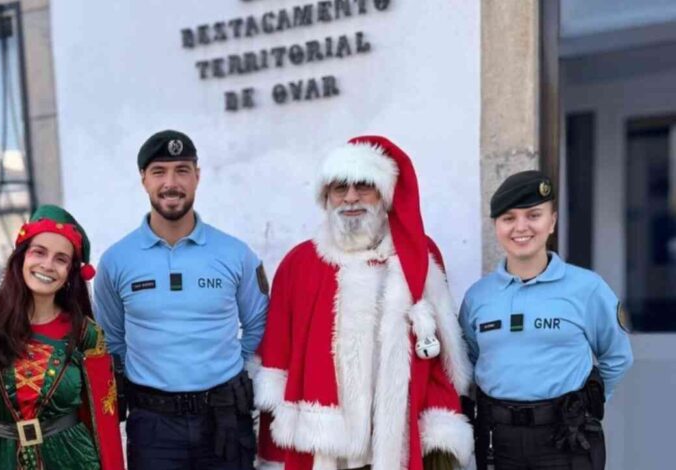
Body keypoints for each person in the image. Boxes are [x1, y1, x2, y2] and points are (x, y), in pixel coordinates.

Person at [255, 135, 474, 470]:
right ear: (326, 196)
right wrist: (273, 453)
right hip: (324, 450)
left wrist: (441, 435)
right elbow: (277, 359)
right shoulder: (299, 264)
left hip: (398, 445)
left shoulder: (416, 257)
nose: (351, 197)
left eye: (364, 186)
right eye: (340, 187)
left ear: (384, 195)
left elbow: (439, 358)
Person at [94, 129, 269, 470]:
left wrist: (226, 366)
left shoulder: (236, 254)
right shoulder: (116, 261)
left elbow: (258, 324)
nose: (171, 183)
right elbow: (111, 339)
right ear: (143, 179)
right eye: (159, 171)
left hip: (225, 420)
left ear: (197, 177)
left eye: (182, 170)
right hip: (153, 427)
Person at [459, 170, 634, 470]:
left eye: (533, 215)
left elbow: (617, 357)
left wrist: (586, 404)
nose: (521, 227)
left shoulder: (587, 288)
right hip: (498, 441)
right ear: (495, 226)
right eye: (508, 218)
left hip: (565, 438)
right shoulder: (478, 296)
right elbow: (468, 363)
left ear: (551, 221)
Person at [0, 204, 124, 470]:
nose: (47, 265)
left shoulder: (87, 335)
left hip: (74, 461)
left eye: (61, 259)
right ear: (22, 257)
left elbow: (105, 425)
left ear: (70, 272)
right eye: (39, 252)